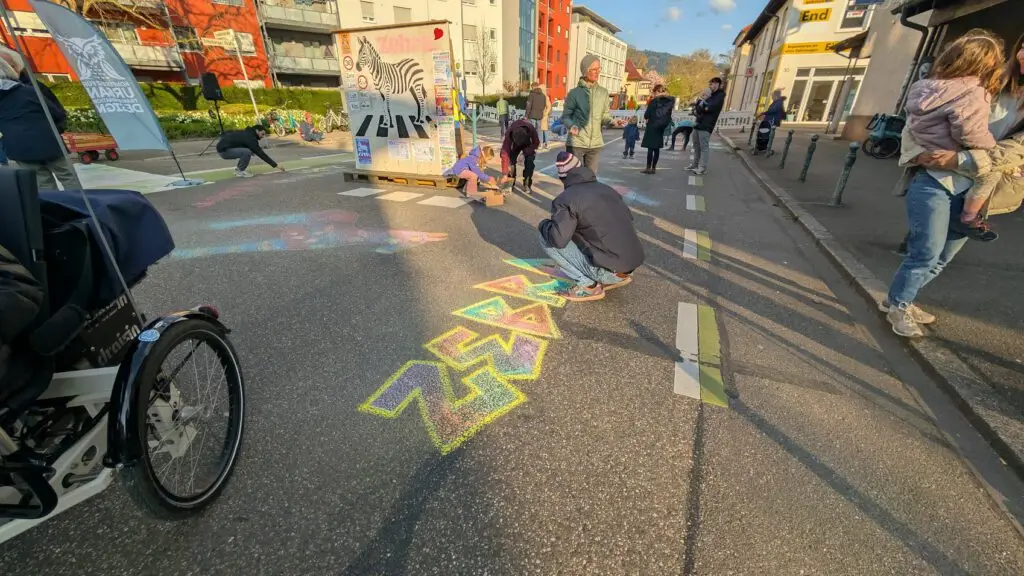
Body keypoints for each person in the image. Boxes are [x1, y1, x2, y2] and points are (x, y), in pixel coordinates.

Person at [884, 30, 1014, 338]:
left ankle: (900, 298)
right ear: (986, 64)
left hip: (961, 184)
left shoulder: (924, 89)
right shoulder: (972, 93)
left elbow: (918, 133)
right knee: (927, 253)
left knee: (941, 256)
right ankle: (898, 306)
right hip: (936, 182)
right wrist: (990, 149)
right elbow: (970, 132)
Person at [538, 152, 645, 302]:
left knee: (546, 237)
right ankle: (616, 276)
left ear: (562, 177)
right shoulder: (607, 189)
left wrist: (543, 225)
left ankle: (589, 286)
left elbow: (558, 241)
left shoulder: (566, 199)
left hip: (610, 272)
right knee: (578, 230)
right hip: (630, 265)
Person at [0, 51, 75, 190]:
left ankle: (60, 208)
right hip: (46, 140)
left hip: (22, 146)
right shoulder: (28, 91)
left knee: (45, 183)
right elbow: (55, 112)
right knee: (66, 177)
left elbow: (57, 112)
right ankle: (77, 206)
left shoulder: (34, 86)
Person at [562, 55, 610, 175]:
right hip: (577, 143)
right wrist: (571, 126)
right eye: (594, 69)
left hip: (595, 145)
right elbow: (566, 116)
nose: (597, 72)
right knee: (575, 180)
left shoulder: (603, 93)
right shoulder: (574, 93)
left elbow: (605, 116)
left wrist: (613, 121)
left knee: (590, 181)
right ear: (585, 70)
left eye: (599, 69)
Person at [688, 77, 726, 176]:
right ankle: (695, 165)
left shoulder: (719, 96)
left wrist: (703, 107)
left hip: (707, 124)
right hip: (698, 122)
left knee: (704, 146)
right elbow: (699, 108)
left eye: (714, 84)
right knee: (696, 145)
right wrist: (701, 104)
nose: (711, 86)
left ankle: (702, 168)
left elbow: (711, 108)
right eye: (711, 84)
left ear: (718, 85)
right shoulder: (708, 95)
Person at [216, 125, 286, 178]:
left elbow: (228, 133)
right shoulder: (250, 138)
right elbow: (260, 153)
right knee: (247, 152)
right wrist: (275, 165)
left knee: (249, 151)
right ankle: (240, 171)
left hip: (223, 148)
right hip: (224, 151)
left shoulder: (247, 133)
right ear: (257, 131)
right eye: (262, 134)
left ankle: (239, 169)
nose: (262, 136)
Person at [499, 118, 540, 193]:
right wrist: (505, 173)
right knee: (511, 162)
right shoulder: (509, 133)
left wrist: (525, 153)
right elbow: (504, 153)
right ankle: (510, 182)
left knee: (529, 162)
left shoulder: (531, 129)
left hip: (527, 145)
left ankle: (527, 184)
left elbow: (536, 142)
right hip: (515, 145)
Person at [641, 85, 676, 174]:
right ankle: (654, 168)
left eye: (654, 92)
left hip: (652, 126)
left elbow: (646, 115)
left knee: (650, 148)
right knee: (656, 149)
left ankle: (648, 168)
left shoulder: (654, 101)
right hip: (661, 127)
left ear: (657, 92)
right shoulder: (669, 102)